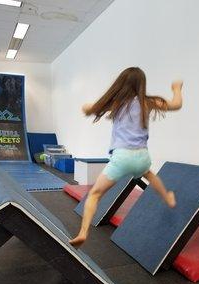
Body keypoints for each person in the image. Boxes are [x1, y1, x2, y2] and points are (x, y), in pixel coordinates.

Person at [70, 67, 183, 247]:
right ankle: (167, 197)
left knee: (95, 195)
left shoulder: (116, 102)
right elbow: (176, 104)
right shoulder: (149, 102)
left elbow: (89, 109)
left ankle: (83, 232)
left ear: (121, 84)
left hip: (122, 158)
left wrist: (86, 108)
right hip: (142, 157)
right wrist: (177, 88)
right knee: (150, 174)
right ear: (141, 84)